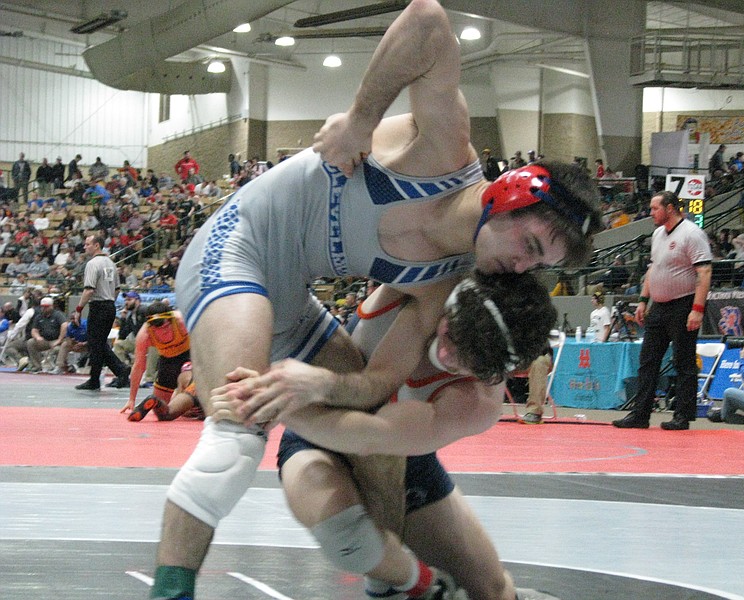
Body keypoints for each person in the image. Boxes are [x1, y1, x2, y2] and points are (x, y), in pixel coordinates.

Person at [149, 1, 603, 597]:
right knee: (236, 433)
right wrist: (363, 117)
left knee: (364, 415)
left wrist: (317, 386)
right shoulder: (443, 152)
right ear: (514, 193)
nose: (523, 264)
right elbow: (428, 18)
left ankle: (394, 584)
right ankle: (170, 590)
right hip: (240, 247)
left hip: (292, 299)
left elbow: (372, 387)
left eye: (539, 263)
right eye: (531, 242)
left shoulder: (445, 277)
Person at [214, 272, 557, 599]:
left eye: (468, 361)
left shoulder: (476, 403)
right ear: (452, 306)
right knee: (347, 537)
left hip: (397, 455)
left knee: (494, 592)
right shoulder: (421, 291)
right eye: (452, 336)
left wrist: (267, 401)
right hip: (316, 443)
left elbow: (370, 437)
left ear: (495, 373)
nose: (448, 355)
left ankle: (400, 583)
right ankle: (424, 586)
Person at [613, 190, 712, 430]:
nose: (651, 213)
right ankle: (640, 414)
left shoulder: (692, 233)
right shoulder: (657, 234)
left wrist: (697, 309)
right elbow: (653, 268)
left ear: (670, 208)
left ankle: (682, 415)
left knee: (683, 361)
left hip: (683, 303)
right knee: (648, 360)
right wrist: (643, 300)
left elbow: (704, 272)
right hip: (659, 305)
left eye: (655, 208)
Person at [74, 234, 131, 391]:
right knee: (98, 343)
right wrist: (109, 301)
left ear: (96, 245)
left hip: (98, 306)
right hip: (109, 305)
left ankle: (111, 373)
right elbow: (117, 289)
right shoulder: (111, 263)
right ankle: (115, 372)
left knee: (95, 343)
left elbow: (89, 290)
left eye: (87, 244)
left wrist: (78, 309)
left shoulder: (93, 264)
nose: (85, 247)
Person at [120, 304, 193, 421]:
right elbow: (138, 366)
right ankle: (171, 403)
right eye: (157, 328)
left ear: (171, 320)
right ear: (150, 326)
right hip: (167, 362)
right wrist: (132, 399)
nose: (162, 331)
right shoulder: (145, 335)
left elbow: (205, 340)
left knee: (188, 383)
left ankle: (187, 400)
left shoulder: (181, 321)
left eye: (165, 326)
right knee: (161, 412)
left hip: (190, 356)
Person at [25, 296, 66, 373]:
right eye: (42, 307)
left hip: (56, 340)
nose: (44, 309)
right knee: (31, 342)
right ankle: (37, 366)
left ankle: (59, 367)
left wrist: (60, 339)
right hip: (45, 341)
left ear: (51, 306)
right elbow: (34, 330)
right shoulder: (39, 316)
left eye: (46, 307)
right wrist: (37, 337)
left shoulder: (58, 315)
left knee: (58, 349)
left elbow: (64, 325)